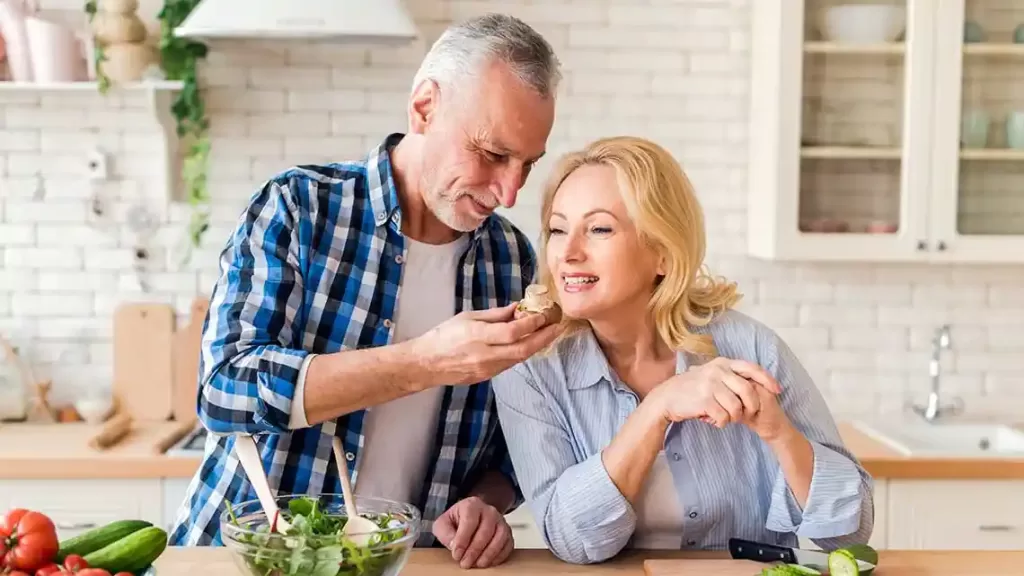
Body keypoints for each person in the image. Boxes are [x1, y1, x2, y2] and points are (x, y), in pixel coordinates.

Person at [169, 14, 564, 570]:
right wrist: (422, 362)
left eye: (527, 164)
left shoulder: (510, 260)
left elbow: (510, 446)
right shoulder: (299, 208)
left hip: (401, 564)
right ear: (424, 107)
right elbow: (224, 391)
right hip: (243, 561)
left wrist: (485, 504)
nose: (509, 190)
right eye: (493, 153)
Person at [491, 136, 874, 565]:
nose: (569, 253)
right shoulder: (529, 368)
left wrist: (780, 434)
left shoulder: (749, 348)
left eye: (599, 229)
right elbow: (572, 540)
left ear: (663, 254)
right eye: (558, 230)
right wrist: (657, 408)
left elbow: (849, 530)